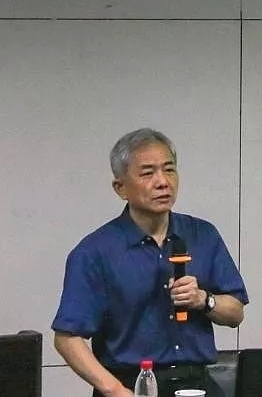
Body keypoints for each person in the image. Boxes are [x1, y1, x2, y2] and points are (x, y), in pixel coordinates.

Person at [52, 128, 249, 397]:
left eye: (169, 170)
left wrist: (203, 299)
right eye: (148, 173)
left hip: (196, 383)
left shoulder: (203, 235)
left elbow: (235, 312)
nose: (162, 182)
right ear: (120, 188)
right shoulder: (95, 251)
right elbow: (67, 338)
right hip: (130, 383)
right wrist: (115, 390)